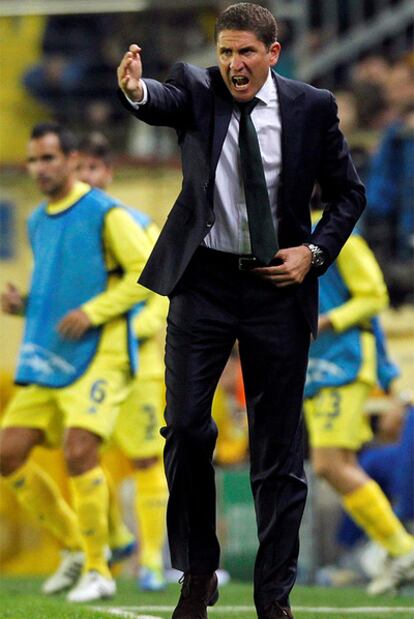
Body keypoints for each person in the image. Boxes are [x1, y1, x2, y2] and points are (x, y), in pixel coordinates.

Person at [116, 4, 365, 619]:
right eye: (225, 52)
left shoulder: (311, 107)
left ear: (273, 54)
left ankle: (273, 597)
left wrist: (313, 252)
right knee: (187, 429)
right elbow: (161, 99)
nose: (233, 65)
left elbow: (348, 194)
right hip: (202, 282)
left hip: (276, 287)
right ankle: (199, 572)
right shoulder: (198, 89)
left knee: (278, 448)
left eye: (246, 53)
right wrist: (135, 90)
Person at [0, 122, 153, 602]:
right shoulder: (38, 220)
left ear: (71, 159)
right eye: (33, 160)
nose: (40, 168)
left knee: (80, 451)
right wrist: (23, 304)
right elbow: (59, 289)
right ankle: (73, 548)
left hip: (101, 354)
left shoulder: (107, 213)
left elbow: (148, 276)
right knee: (7, 453)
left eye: (49, 158)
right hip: (48, 356)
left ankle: (99, 568)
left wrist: (94, 312)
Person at [304, 203, 414, 595]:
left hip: (344, 361)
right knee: (340, 466)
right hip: (314, 369)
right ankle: (393, 549)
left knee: (329, 463)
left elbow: (374, 297)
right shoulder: (285, 238)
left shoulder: (336, 234)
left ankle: (401, 548)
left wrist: (326, 320)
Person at [76, 132, 169, 591]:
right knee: (80, 453)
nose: (86, 178)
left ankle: (151, 561)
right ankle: (116, 540)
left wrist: (140, 327)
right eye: (79, 170)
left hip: (137, 365)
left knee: (147, 461)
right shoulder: (64, 231)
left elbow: (161, 288)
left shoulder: (138, 224)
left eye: (93, 169)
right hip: (81, 366)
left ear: (108, 173)